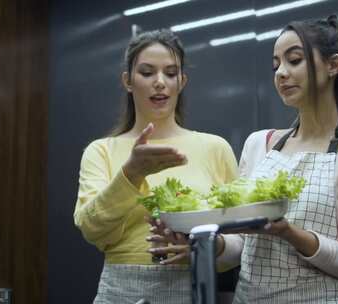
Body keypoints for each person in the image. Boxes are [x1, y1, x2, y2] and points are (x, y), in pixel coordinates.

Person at [150, 16, 338, 303]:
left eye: (294, 60)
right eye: (276, 64)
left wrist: (292, 234)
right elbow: (243, 245)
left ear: (333, 65)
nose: (281, 73)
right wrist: (207, 244)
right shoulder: (259, 145)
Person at [73, 29, 238, 304]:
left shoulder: (215, 148)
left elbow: (243, 240)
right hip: (120, 291)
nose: (160, 82)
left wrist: (204, 248)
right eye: (147, 73)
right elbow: (91, 228)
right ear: (128, 81)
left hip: (195, 288)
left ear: (182, 81)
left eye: (170, 73)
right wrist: (131, 173)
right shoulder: (101, 150)